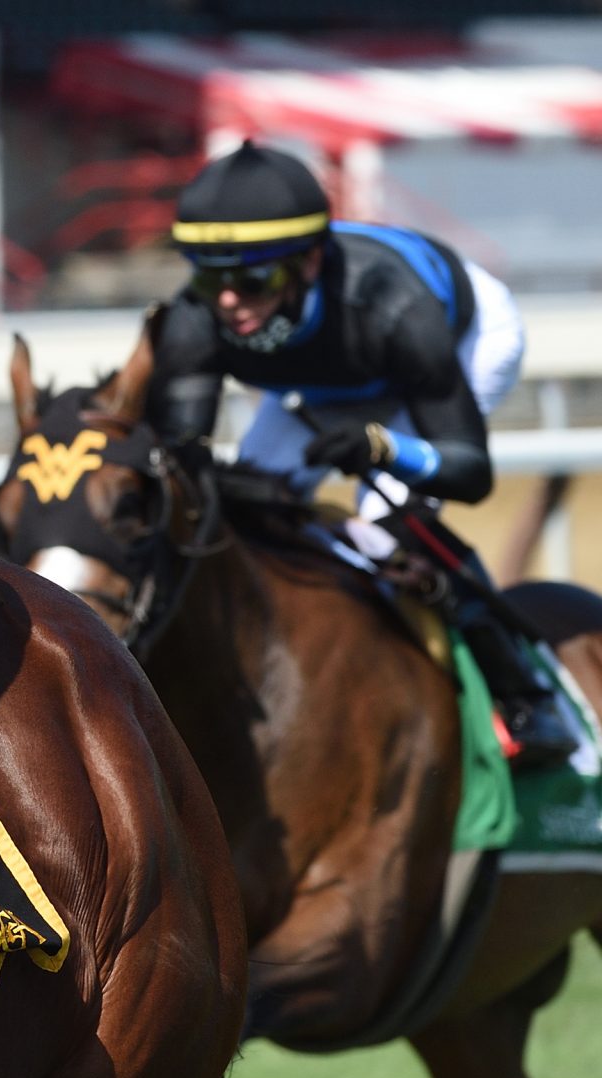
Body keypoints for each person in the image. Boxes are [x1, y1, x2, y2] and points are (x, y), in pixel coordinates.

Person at [147, 139, 575, 767]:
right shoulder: (194, 318)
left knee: (386, 530)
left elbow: (470, 474)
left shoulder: (395, 307)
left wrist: (381, 446)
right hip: (320, 380)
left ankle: (526, 697)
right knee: (248, 520)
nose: (229, 302)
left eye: (253, 279)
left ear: (311, 263)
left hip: (459, 342)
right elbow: (180, 470)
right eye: (210, 279)